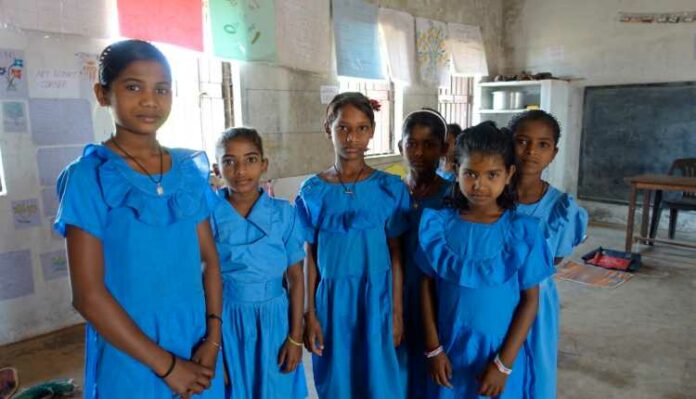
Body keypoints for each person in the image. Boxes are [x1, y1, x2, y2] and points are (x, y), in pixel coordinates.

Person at [54, 40, 224, 398]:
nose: (150, 100)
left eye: (161, 89)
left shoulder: (187, 172)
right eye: (133, 87)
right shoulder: (89, 177)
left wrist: (212, 339)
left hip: (196, 341)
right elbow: (88, 295)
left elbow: (209, 262)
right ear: (103, 94)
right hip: (130, 348)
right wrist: (168, 366)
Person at [419, 121, 554, 398]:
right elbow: (425, 287)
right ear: (457, 172)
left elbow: (530, 300)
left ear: (509, 174)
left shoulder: (523, 232)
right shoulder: (437, 227)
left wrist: (504, 364)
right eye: (470, 173)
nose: (479, 184)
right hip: (448, 349)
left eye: (492, 174)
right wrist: (433, 347)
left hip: (499, 352)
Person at [296, 92, 410, 399]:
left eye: (361, 128)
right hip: (332, 301)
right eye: (343, 128)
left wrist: (397, 312)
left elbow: (397, 253)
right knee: (337, 378)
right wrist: (310, 313)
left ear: (372, 131)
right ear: (328, 129)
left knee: (379, 378)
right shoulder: (312, 191)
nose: (352, 138)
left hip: (378, 296)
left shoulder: (389, 188)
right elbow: (310, 255)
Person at [210, 127, 307, 399]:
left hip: (276, 320)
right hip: (227, 318)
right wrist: (213, 345)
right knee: (234, 389)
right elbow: (203, 283)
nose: (240, 170)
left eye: (250, 159)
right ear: (217, 169)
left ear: (263, 165)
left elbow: (296, 278)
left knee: (277, 388)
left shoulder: (283, 214)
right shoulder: (208, 217)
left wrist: (295, 337)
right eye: (229, 162)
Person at [510, 110, 588, 399]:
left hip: (536, 300)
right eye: (522, 141)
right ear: (508, 144)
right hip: (492, 295)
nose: (531, 151)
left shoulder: (562, 209)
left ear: (553, 153)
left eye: (543, 144)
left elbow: (552, 261)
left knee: (533, 366)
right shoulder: (489, 194)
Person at [397, 108, 451, 399]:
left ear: (444, 149)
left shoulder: (454, 195)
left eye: (429, 144)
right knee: (399, 368)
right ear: (400, 147)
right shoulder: (391, 191)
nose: (419, 152)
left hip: (436, 295)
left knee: (435, 366)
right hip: (395, 291)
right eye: (412, 143)